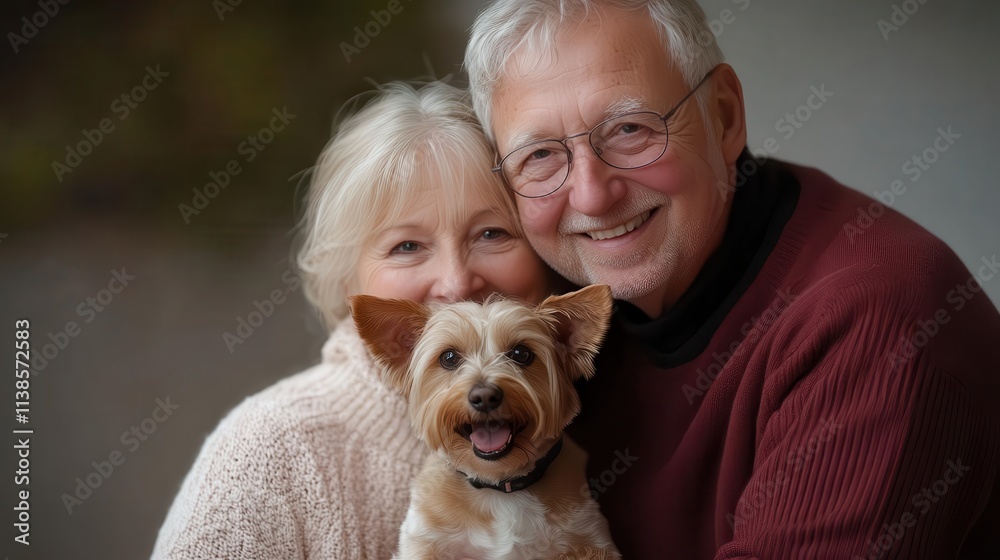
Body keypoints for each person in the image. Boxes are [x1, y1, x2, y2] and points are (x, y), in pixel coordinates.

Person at [465, 1, 1000, 558]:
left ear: (723, 116)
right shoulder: (543, 308)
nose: (592, 196)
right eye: (541, 156)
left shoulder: (878, 323)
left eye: (629, 129)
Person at [150, 81, 552, 559]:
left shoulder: (585, 415)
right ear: (348, 280)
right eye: (407, 246)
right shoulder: (267, 453)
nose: (457, 282)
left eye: (491, 232)